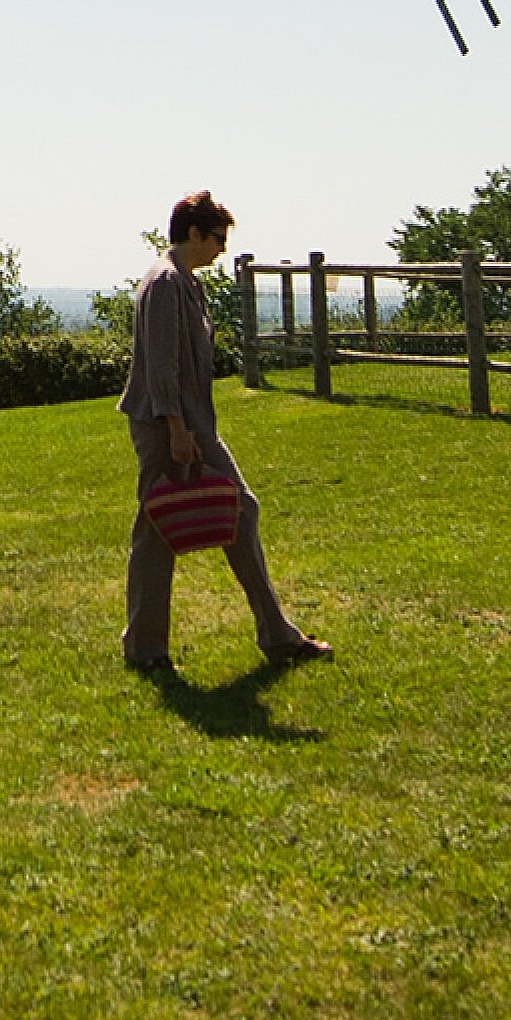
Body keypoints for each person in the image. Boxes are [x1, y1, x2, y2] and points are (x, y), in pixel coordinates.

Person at [123, 191, 324, 676]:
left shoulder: (187, 283)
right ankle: (148, 649)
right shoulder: (166, 283)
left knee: (232, 512)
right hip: (170, 424)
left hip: (192, 423)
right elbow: (162, 364)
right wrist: (175, 429)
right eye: (217, 238)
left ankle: (272, 633)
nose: (221, 248)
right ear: (192, 233)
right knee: (164, 529)